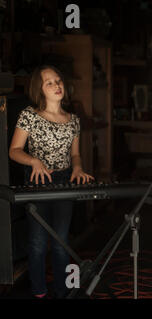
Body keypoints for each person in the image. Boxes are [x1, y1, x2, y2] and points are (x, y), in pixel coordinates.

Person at [9, 65, 94, 298]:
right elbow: (14, 150)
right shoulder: (29, 115)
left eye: (58, 81)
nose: (57, 85)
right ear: (40, 89)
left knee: (61, 240)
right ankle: (38, 291)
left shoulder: (73, 120)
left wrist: (77, 169)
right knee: (37, 241)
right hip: (38, 180)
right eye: (50, 82)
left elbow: (75, 154)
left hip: (64, 180)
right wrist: (34, 161)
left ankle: (62, 290)